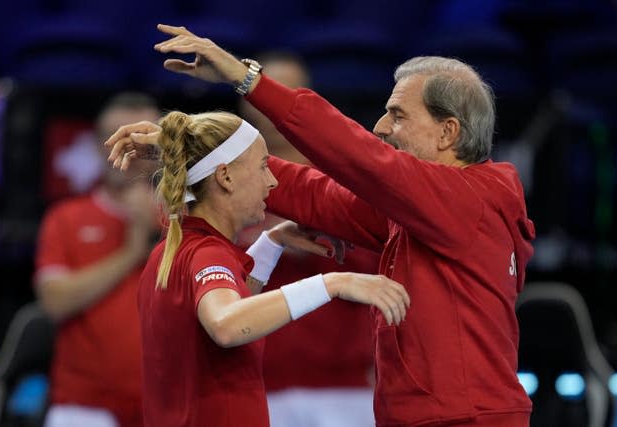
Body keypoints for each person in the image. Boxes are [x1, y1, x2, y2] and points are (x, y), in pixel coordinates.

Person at [106, 24, 537, 427]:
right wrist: (198, 156)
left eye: (398, 115)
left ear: (448, 132)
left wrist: (247, 79)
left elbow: (362, 156)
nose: (381, 127)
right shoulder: (416, 211)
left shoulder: (471, 201)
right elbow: (315, 192)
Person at [133, 110, 409, 426]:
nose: (273, 181)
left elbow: (216, 320)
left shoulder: (172, 251)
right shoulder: (208, 254)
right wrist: (332, 283)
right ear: (225, 177)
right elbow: (226, 325)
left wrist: (271, 243)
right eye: (264, 166)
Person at [237, 51, 378, 427]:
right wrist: (261, 238)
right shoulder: (226, 179)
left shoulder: (344, 175)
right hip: (261, 377)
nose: (269, 103)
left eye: (284, 90)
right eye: (260, 91)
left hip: (343, 379)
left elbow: (380, 259)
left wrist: (327, 234)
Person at [34, 92, 161, 427]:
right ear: (96, 144)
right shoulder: (66, 218)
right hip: (84, 406)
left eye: (138, 141)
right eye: (115, 137)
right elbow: (54, 301)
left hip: (167, 401)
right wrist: (131, 252)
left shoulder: (188, 217)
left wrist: (159, 229)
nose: (125, 151)